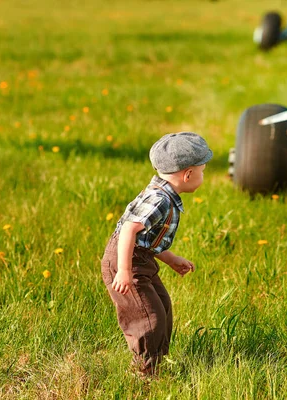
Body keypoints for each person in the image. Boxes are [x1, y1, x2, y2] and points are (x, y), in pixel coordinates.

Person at [101, 132, 212, 378]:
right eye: (203, 171)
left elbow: (147, 240)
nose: (203, 176)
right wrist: (125, 271)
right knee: (148, 318)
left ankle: (156, 365)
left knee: (162, 309)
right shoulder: (160, 199)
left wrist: (172, 259)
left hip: (140, 259)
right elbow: (129, 229)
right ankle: (145, 373)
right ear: (188, 174)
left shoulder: (165, 195)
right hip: (127, 262)